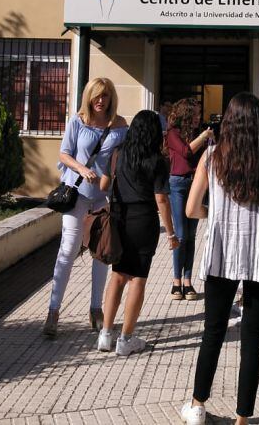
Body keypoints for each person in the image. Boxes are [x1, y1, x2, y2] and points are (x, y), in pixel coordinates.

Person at [179, 92, 259, 425]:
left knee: (213, 332)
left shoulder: (210, 157)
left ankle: (197, 406)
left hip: (220, 254)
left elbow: (191, 209)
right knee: (252, 340)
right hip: (258, 257)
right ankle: (242, 418)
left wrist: (217, 213)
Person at [42, 77, 128, 338]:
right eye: (96, 96)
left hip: (102, 198)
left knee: (101, 253)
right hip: (77, 194)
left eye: (106, 96)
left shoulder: (119, 125)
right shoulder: (77, 121)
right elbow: (64, 153)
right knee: (68, 249)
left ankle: (96, 309)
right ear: (89, 97)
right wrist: (82, 168)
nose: (101, 101)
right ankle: (53, 311)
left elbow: (125, 156)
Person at [97, 110, 178, 356]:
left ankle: (105, 334)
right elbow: (161, 200)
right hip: (144, 220)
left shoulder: (118, 153)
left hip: (119, 218)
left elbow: (104, 185)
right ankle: (126, 339)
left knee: (118, 276)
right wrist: (171, 234)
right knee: (138, 279)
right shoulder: (158, 160)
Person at [163, 97, 213, 301]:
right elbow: (185, 151)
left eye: (198, 115)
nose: (197, 118)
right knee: (181, 235)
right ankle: (176, 282)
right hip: (178, 184)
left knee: (192, 235)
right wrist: (203, 136)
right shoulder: (172, 134)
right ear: (185, 115)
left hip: (196, 183)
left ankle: (187, 280)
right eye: (194, 115)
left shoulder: (197, 134)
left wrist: (208, 139)